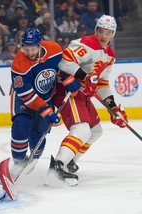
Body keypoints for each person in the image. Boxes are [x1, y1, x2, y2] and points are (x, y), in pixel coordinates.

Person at [49, 15, 128, 186]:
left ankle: (69, 162)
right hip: (69, 90)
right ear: (95, 31)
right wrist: (85, 76)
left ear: (112, 34)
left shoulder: (110, 56)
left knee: (96, 131)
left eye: (107, 33)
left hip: (83, 94)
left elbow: (102, 83)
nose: (103, 36)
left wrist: (113, 108)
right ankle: (58, 165)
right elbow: (64, 62)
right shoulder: (87, 43)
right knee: (82, 129)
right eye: (100, 31)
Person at [9, 28, 62, 180]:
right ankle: (18, 162)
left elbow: (63, 68)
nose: (30, 52)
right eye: (26, 48)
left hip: (47, 98)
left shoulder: (55, 50)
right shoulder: (19, 63)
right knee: (21, 124)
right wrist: (46, 110)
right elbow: (26, 94)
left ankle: (33, 158)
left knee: (39, 134)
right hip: (24, 99)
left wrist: (68, 79)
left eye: (33, 48)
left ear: (40, 45)